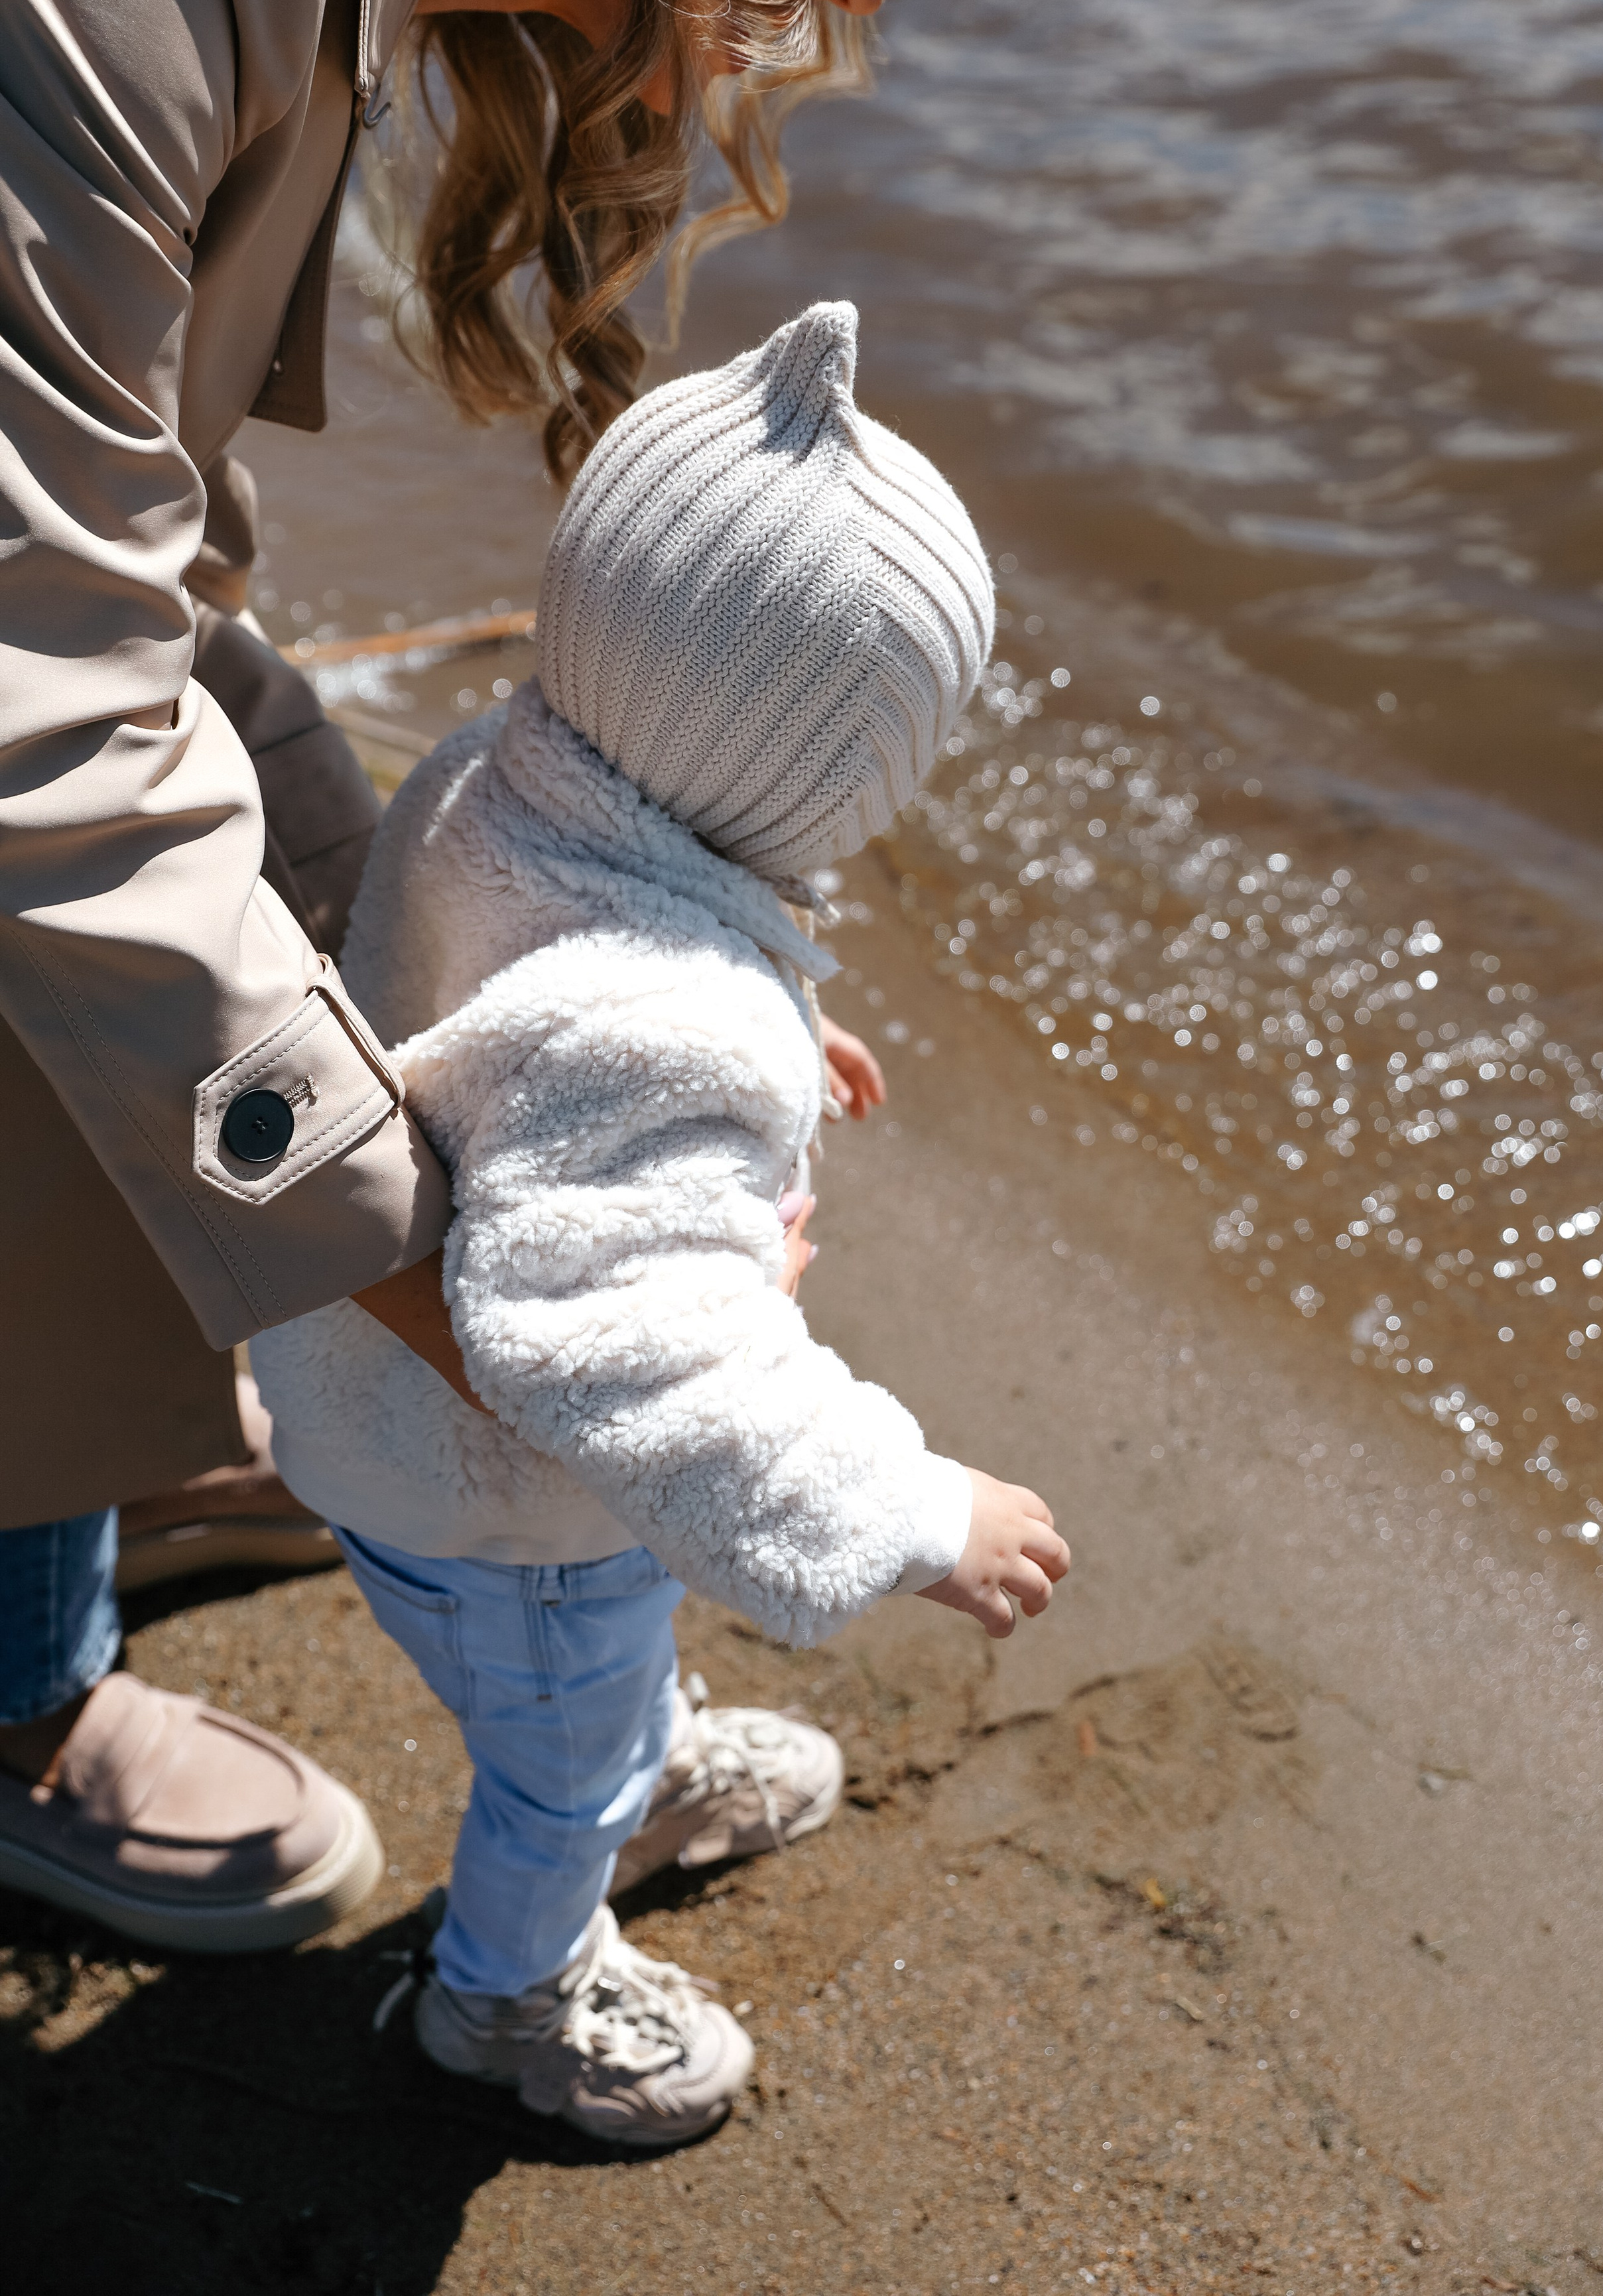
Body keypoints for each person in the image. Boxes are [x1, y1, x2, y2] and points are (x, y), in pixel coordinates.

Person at [0, 0, 1034, 1951]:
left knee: (225, 991)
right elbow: (43, 735)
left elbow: (139, 589)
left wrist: (386, 1073)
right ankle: (16, 1674)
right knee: (111, 966)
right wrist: (448, 1276)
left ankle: (125, 1385)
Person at [249, 301, 1071, 2147]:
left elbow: (533, 1000)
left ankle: (649, 1757)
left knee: (593, 1688)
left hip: (390, 1435)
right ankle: (509, 1996)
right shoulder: (663, 1025)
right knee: (557, 1767)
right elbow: (619, 1353)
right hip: (509, 1508)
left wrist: (773, 1007)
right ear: (826, 777)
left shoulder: (509, 768)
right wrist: (915, 1507)